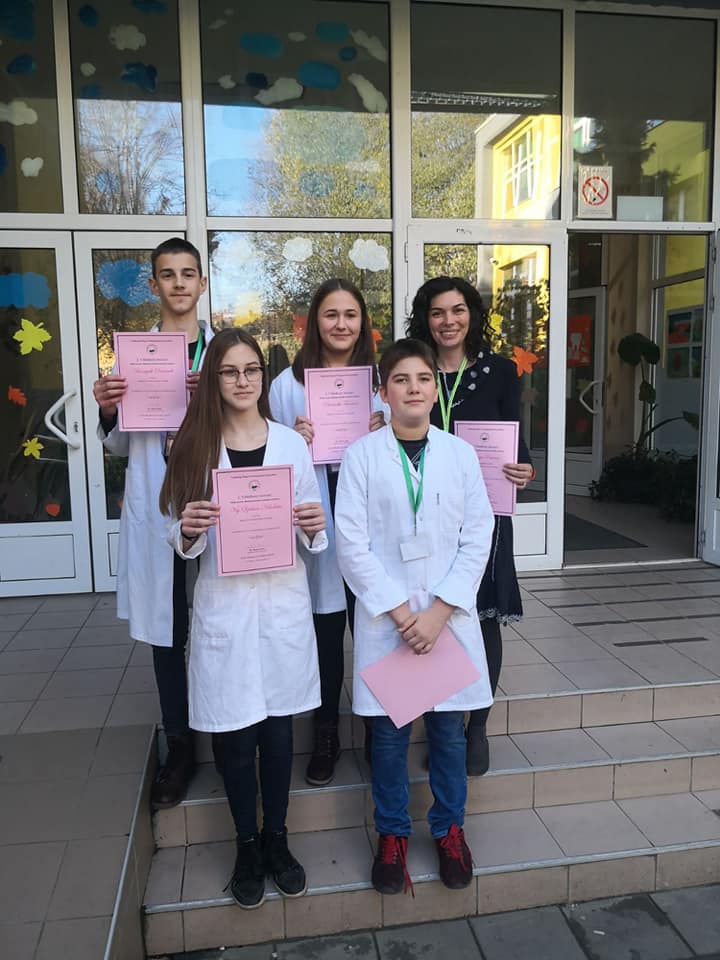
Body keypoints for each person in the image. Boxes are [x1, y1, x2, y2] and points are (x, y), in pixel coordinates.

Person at [159, 327, 327, 909]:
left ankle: (278, 837)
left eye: (251, 369)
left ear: (262, 375)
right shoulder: (193, 445)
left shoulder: (291, 445)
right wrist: (187, 531)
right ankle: (246, 844)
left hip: (280, 607)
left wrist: (314, 526)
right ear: (213, 379)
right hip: (225, 611)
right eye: (229, 371)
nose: (242, 380)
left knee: (278, 734)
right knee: (234, 736)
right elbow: (175, 531)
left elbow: (314, 526)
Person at [334, 338, 494, 895]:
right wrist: (405, 615)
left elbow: (478, 534)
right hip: (391, 621)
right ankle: (393, 835)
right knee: (388, 734)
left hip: (446, 618)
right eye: (401, 379)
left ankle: (449, 830)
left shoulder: (460, 455)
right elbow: (351, 544)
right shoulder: (361, 456)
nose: (414, 389)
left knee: (448, 731)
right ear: (383, 391)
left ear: (435, 387)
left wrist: (440, 610)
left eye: (423, 378)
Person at [92, 237, 213, 808]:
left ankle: (224, 725)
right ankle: (179, 744)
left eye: (188, 273)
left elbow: (251, 421)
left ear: (202, 284)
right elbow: (121, 444)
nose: (179, 283)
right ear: (154, 285)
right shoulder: (133, 354)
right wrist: (108, 408)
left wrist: (210, 399)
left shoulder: (221, 351)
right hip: (157, 507)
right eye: (168, 274)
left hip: (212, 506)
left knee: (217, 619)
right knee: (168, 633)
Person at [407, 276, 534, 776]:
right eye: (437, 312)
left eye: (458, 310)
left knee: (480, 618)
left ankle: (476, 725)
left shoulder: (500, 371)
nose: (448, 321)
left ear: (472, 314)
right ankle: (441, 722)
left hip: (484, 515)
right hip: (424, 515)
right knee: (433, 612)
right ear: (425, 318)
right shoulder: (414, 369)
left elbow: (517, 446)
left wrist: (525, 470)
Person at [270, 278, 386, 786]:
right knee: (326, 631)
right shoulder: (286, 385)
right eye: (331, 314)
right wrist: (290, 440)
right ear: (314, 322)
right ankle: (327, 732)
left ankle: (380, 729)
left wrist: (385, 434)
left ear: (363, 323)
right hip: (316, 514)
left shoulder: (381, 381)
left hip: (369, 518)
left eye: (351, 315)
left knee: (376, 628)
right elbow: (266, 459)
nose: (341, 324)